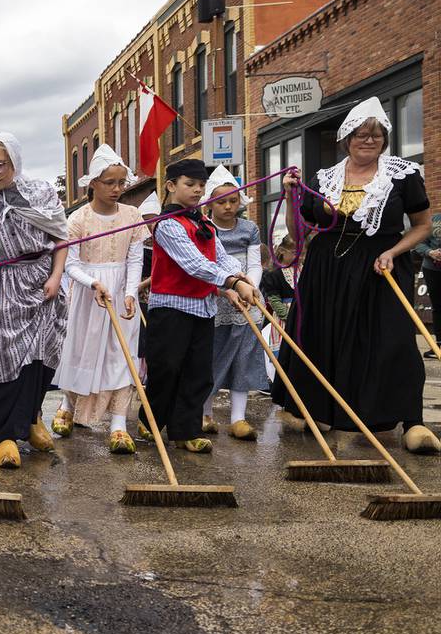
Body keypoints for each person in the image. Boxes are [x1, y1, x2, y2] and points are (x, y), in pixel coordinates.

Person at [278, 97, 438, 453]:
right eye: (361, 135)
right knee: (323, 336)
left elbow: (423, 226)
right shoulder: (324, 178)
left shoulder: (403, 174)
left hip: (380, 265)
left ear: (385, 139)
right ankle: (321, 410)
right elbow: (300, 231)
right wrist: (291, 199)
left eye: (377, 135)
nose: (369, 141)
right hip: (326, 268)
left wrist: (394, 251)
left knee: (392, 341)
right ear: (346, 138)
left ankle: (411, 421)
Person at [0, 134, 68, 468]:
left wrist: (56, 276)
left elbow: (61, 237)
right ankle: (5, 437)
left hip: (43, 282)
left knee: (40, 358)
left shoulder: (42, 194)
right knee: (1, 361)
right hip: (1, 287)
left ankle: (31, 420)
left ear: (14, 162)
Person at [142, 159, 258, 453]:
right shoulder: (167, 225)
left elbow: (221, 258)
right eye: (189, 184)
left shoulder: (205, 223)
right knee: (167, 368)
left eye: (201, 186)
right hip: (170, 308)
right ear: (171, 186)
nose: (196, 191)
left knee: (198, 372)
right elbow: (195, 265)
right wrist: (232, 283)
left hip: (203, 308)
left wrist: (239, 274)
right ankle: (151, 420)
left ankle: (186, 430)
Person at [52, 146, 145, 454]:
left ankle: (118, 424)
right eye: (110, 183)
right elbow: (71, 263)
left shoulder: (132, 216)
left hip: (120, 293)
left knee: (122, 354)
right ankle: (67, 405)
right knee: (82, 351)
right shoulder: (79, 219)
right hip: (89, 291)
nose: (117, 189)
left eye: (121, 182)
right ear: (93, 183)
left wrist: (131, 291)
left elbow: (135, 259)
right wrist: (92, 282)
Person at [201, 165, 267, 440]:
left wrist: (249, 287)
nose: (228, 206)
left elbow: (255, 264)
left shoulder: (249, 228)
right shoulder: (204, 229)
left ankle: (238, 417)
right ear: (210, 204)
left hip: (246, 297)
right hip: (215, 296)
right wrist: (226, 286)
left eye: (233, 200)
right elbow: (204, 265)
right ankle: (205, 414)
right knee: (212, 357)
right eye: (221, 202)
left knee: (243, 357)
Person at [413, 211, 441, 357]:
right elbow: (419, 242)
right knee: (438, 307)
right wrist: (430, 252)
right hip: (433, 269)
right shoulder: (433, 219)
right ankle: (439, 345)